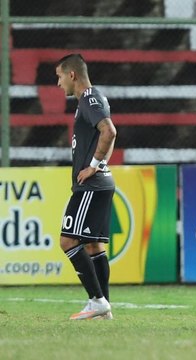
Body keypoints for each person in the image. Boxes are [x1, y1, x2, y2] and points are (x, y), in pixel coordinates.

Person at [55, 54, 117, 320]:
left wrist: (94, 165)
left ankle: (96, 301)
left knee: (68, 240)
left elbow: (110, 131)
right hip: (100, 182)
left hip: (91, 185)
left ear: (72, 75)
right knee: (93, 246)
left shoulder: (89, 99)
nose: (58, 84)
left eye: (59, 77)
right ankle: (104, 308)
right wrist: (101, 164)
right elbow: (110, 133)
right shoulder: (95, 99)